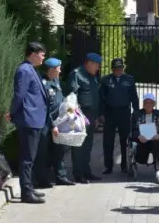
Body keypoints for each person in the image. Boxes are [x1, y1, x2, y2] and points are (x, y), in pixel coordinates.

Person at [10, 42, 48, 204]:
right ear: (33, 54)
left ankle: (29, 187)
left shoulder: (31, 69)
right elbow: (20, 95)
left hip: (34, 119)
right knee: (27, 157)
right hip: (28, 119)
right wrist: (11, 112)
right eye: (42, 54)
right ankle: (26, 192)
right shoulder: (24, 70)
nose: (43, 57)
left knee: (30, 157)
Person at [35, 57, 73, 188]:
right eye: (58, 68)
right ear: (51, 70)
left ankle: (60, 176)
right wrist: (52, 125)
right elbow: (44, 108)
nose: (60, 70)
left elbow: (60, 100)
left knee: (59, 150)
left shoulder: (56, 81)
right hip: (46, 124)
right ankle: (42, 179)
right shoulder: (43, 84)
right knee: (43, 152)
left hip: (58, 122)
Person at [68, 52, 103, 183]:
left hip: (91, 115)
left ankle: (86, 170)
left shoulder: (92, 76)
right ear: (89, 63)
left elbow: (95, 96)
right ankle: (78, 173)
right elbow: (71, 97)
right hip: (80, 115)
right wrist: (75, 116)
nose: (98, 68)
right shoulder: (76, 75)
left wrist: (97, 116)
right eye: (97, 65)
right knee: (78, 145)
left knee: (87, 145)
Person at [100, 58, 139, 174]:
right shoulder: (105, 80)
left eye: (121, 68)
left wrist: (136, 113)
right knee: (108, 141)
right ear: (112, 69)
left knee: (125, 140)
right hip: (109, 113)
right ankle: (108, 166)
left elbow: (134, 98)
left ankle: (124, 165)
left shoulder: (129, 79)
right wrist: (101, 114)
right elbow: (101, 98)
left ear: (123, 68)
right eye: (116, 69)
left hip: (124, 112)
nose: (119, 71)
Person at [130, 92, 159, 184]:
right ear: (143, 104)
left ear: (154, 104)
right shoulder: (136, 114)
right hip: (142, 143)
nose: (148, 104)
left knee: (156, 142)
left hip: (156, 141)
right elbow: (132, 131)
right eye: (146, 102)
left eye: (150, 102)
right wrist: (139, 136)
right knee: (145, 147)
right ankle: (157, 169)